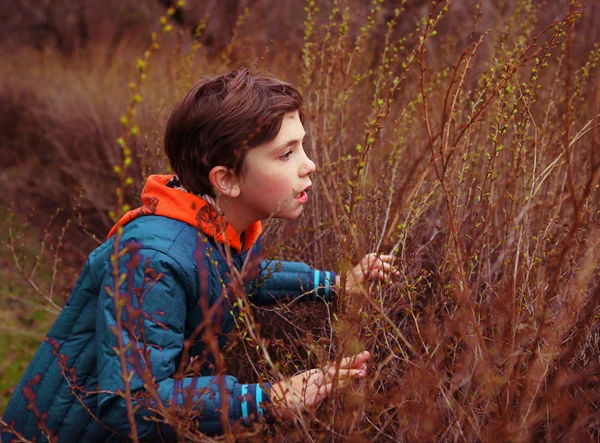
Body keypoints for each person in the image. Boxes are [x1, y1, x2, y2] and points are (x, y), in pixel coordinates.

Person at [1, 69, 394, 441]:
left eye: (302, 146)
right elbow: (131, 401)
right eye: (286, 154)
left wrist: (336, 284)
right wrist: (265, 400)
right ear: (226, 179)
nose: (310, 164)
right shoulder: (152, 258)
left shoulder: (219, 227)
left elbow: (241, 276)